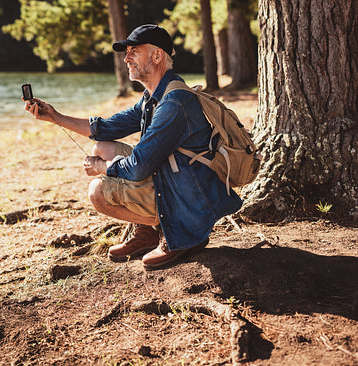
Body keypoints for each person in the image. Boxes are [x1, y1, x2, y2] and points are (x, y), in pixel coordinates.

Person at [24, 24, 242, 270]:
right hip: (176, 180)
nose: (126, 58)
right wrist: (55, 117)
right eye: (126, 52)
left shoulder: (173, 105)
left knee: (97, 191)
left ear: (157, 56)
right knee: (103, 146)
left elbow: (138, 167)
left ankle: (178, 235)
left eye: (134, 51)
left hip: (189, 198)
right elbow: (106, 128)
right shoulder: (154, 96)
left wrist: (102, 167)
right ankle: (148, 231)